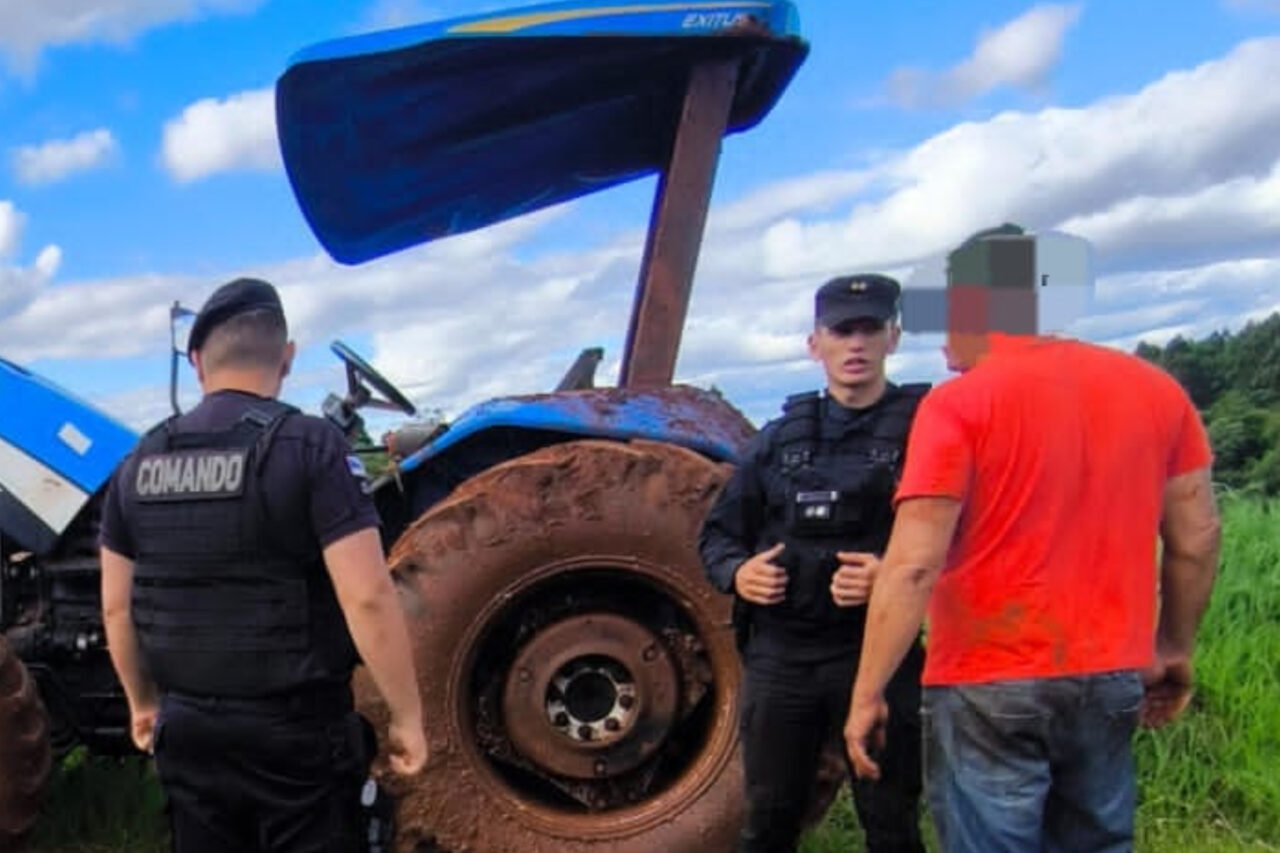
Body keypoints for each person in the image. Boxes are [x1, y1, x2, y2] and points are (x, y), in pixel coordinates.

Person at [843, 230, 1222, 852]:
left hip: (986, 679)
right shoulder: (1155, 390)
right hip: (1109, 672)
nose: (941, 342)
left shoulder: (958, 406)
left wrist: (867, 694)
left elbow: (913, 565)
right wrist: (1174, 646)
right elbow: (1198, 535)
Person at [99, 277, 429, 853]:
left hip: (189, 729)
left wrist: (143, 704)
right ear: (288, 358)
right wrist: (407, 716)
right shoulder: (312, 447)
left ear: (197, 362)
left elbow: (116, 606)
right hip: (295, 737)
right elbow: (368, 597)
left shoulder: (136, 463)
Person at [699, 273, 929, 853]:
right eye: (840, 331)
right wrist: (739, 574)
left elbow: (965, 540)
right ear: (815, 343)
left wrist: (890, 577)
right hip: (783, 657)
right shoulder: (778, 442)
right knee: (768, 820)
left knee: (892, 821)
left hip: (876, 653)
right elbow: (719, 538)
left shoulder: (927, 434)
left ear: (893, 338)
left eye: (869, 329)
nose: (855, 344)